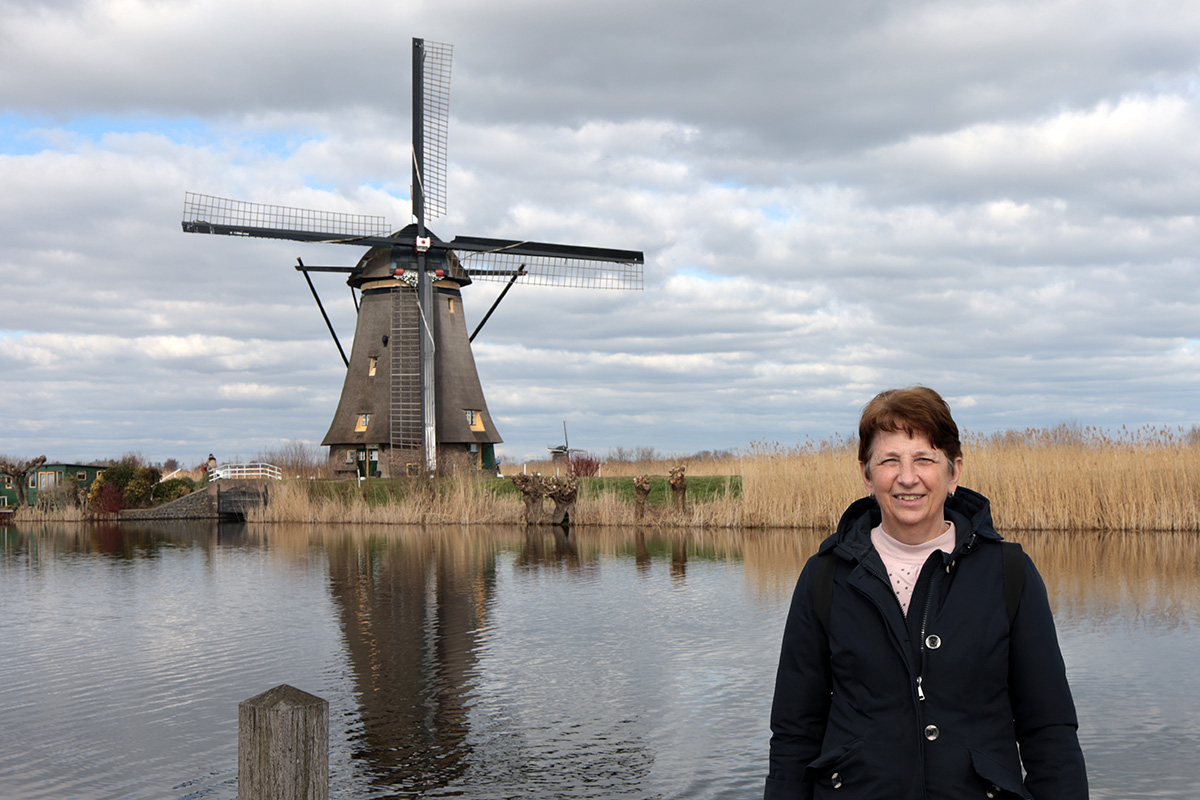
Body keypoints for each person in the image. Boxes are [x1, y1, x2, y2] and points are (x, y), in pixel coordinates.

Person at [765, 387, 1087, 799]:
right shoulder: (825, 577)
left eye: (924, 459)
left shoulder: (1008, 572)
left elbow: (1049, 728)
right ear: (866, 474)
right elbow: (794, 733)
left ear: (953, 472)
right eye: (889, 460)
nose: (907, 477)